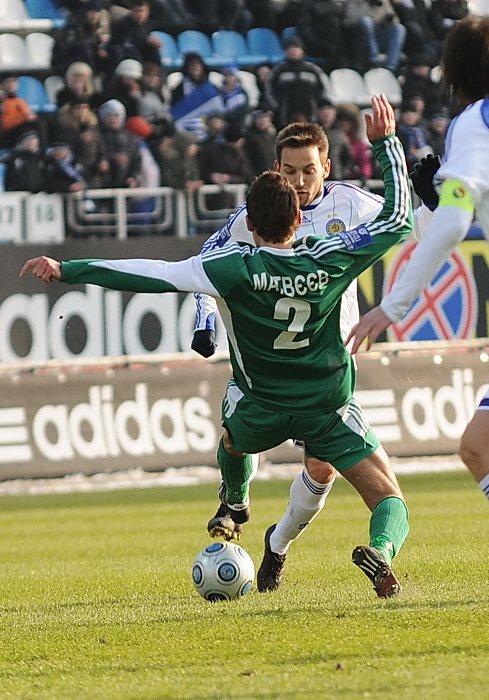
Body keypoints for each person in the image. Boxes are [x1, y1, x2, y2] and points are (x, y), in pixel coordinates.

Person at [20, 95, 413, 599]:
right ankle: (381, 549)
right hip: (327, 403)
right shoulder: (332, 258)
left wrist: (69, 269)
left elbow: (152, 273)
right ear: (297, 221)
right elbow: (400, 220)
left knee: (231, 440)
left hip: (262, 403)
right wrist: (387, 145)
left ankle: (238, 502)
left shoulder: (232, 269)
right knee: (388, 496)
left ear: (251, 224)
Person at [347, 17, 489, 646]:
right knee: (484, 445)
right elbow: (488, 201)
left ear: (452, 71)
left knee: (486, 448)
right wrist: (440, 189)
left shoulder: (475, 123)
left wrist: (393, 305)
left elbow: (457, 220)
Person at [191, 115, 438, 594]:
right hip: (269, 368)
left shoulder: (353, 204)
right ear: (276, 169)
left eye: (308, 170)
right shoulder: (256, 216)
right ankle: (237, 501)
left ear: (326, 166)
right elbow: (204, 263)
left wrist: (429, 203)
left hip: (326, 367)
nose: (300, 182)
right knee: (242, 438)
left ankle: (277, 542)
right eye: (289, 171)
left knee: (319, 470)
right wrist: (206, 321)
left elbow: (408, 229)